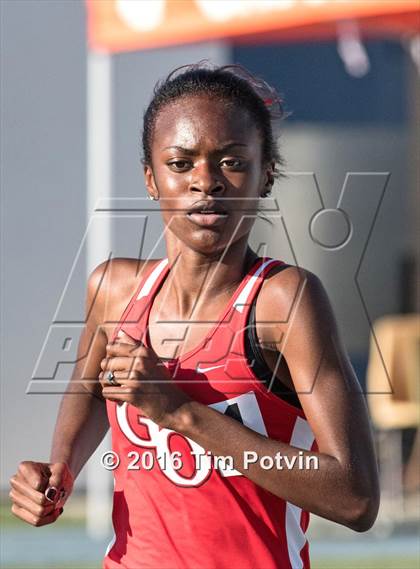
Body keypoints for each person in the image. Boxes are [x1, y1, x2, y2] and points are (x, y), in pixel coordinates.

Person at [9, 62, 380, 569]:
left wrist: (180, 412)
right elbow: (93, 386)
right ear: (150, 178)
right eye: (180, 164)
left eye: (231, 161)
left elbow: (355, 497)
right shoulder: (115, 289)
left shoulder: (283, 301)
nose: (206, 183)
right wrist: (60, 470)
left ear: (265, 172)